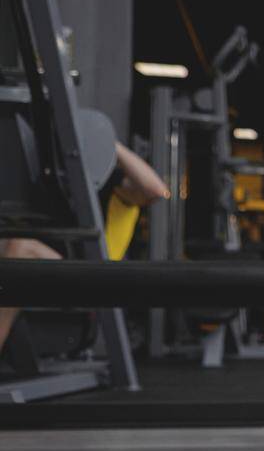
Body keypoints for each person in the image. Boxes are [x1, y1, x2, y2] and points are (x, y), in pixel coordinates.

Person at [1, 142, 169, 355]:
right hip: (62, 267)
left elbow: (157, 190)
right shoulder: (58, 183)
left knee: (20, 249)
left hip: (91, 279)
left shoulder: (117, 188)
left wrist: (112, 145)